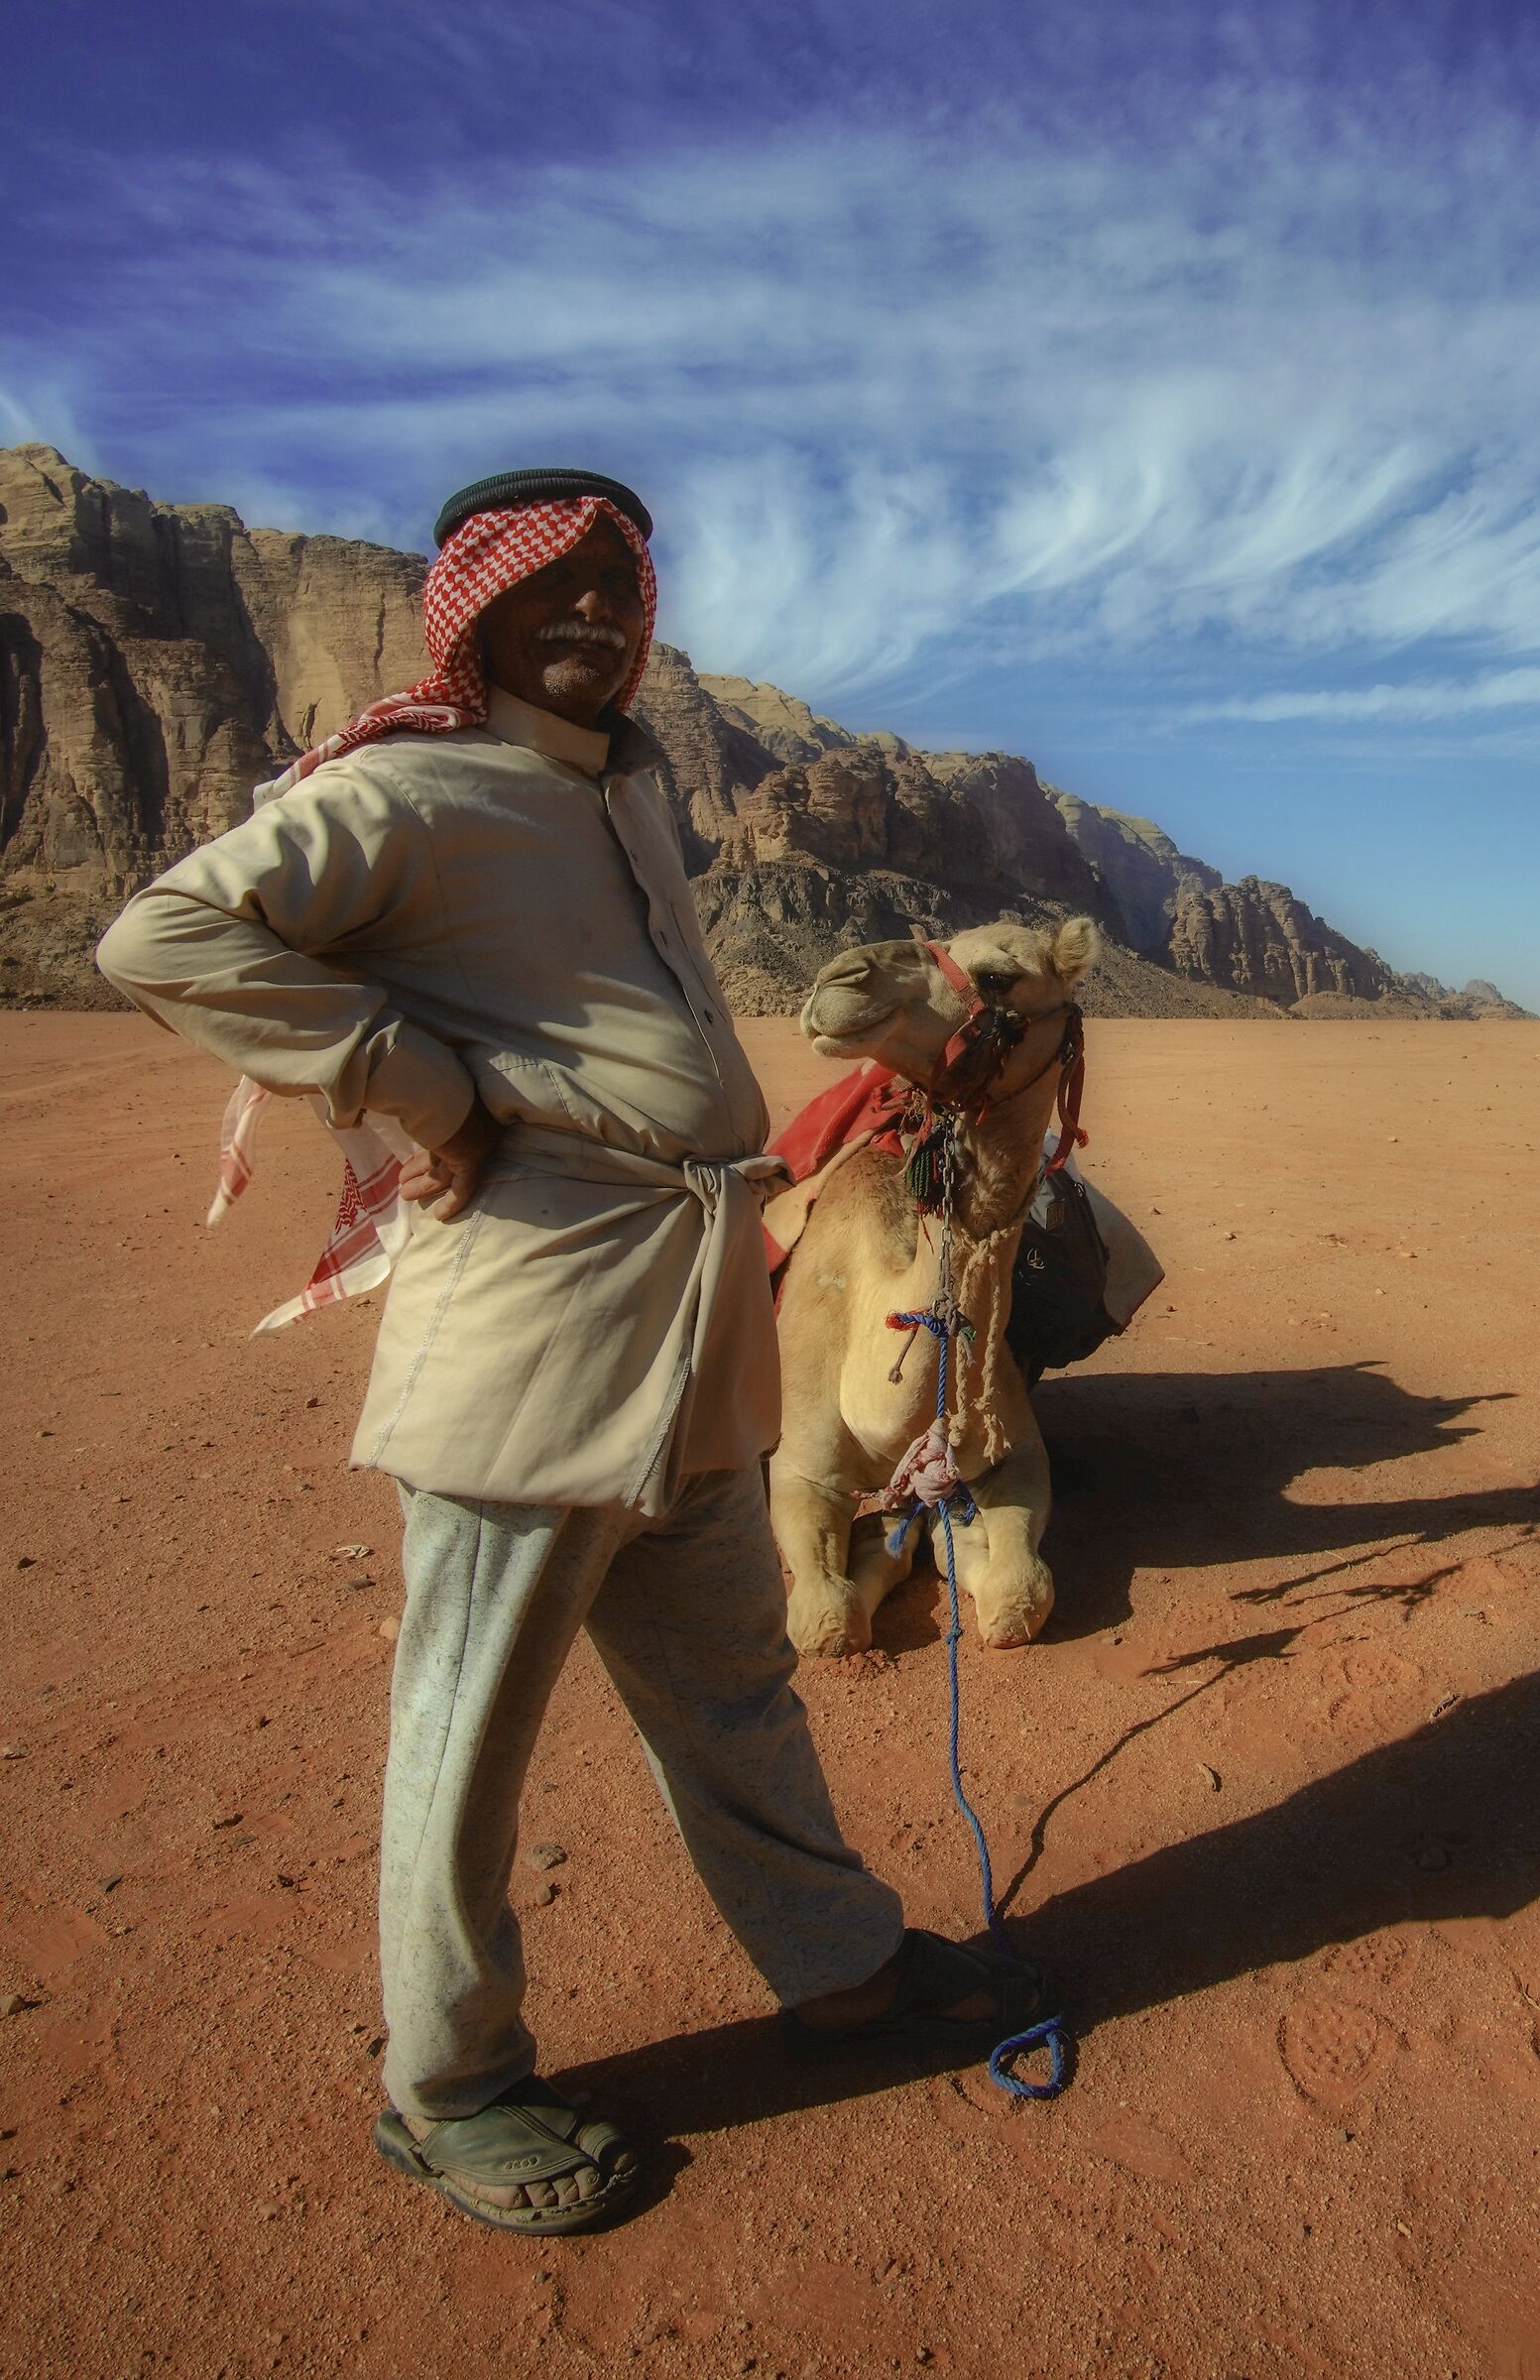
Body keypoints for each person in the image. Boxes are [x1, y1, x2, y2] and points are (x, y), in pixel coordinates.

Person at [96, 468, 1034, 2237]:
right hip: (535, 1324)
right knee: (465, 1728)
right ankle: (448, 2091)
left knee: (733, 1684)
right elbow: (159, 933)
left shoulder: (628, 793)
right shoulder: (411, 786)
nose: (595, 610)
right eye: (558, 584)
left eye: (619, 582)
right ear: (476, 607)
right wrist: (420, 1082)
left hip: (691, 1325)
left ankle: (838, 1965)